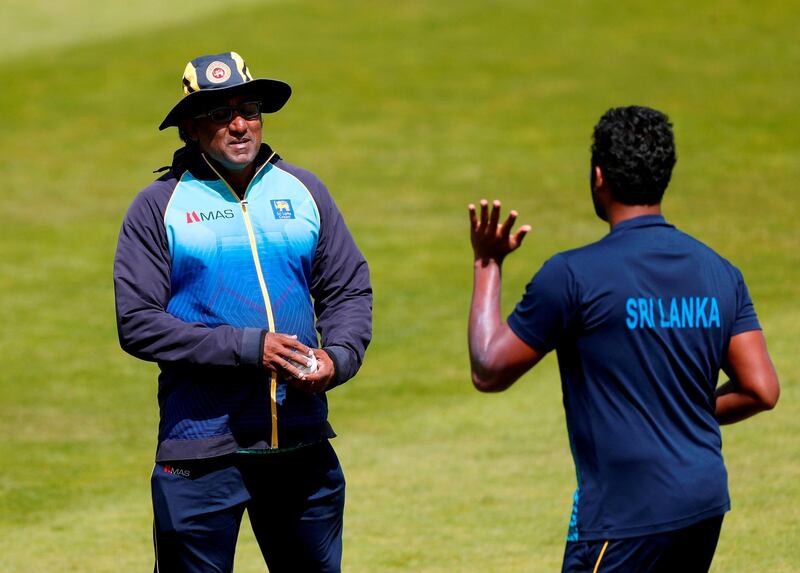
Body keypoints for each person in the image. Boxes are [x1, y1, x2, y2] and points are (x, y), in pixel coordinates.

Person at [467, 105, 779, 573]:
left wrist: (487, 265)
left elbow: (488, 368)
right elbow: (761, 389)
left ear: (599, 177)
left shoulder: (572, 275)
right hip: (703, 502)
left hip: (625, 516)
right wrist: (681, 411)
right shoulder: (720, 272)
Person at [113, 52, 372, 573]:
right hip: (201, 450)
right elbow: (137, 322)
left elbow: (348, 289)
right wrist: (251, 349)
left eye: (249, 108)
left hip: (301, 445)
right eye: (218, 112)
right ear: (189, 126)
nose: (238, 124)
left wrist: (338, 357)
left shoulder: (304, 191)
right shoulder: (156, 205)